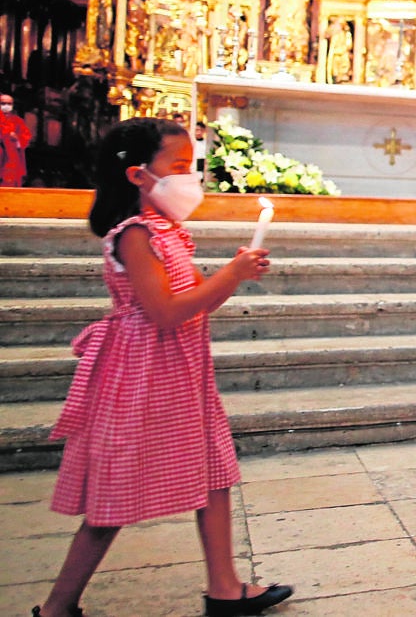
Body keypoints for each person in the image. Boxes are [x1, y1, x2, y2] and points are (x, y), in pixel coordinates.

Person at [35, 118, 293, 617]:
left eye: (191, 167)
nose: (189, 178)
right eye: (178, 167)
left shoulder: (170, 231)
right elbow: (166, 312)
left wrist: (233, 275)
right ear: (137, 176)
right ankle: (56, 608)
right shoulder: (133, 234)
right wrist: (230, 274)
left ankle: (225, 588)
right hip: (142, 372)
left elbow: (197, 302)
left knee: (214, 472)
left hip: (181, 369)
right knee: (113, 498)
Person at [1, 92, 33, 187]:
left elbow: (26, 136)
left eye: (9, 104)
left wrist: (17, 139)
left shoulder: (18, 121)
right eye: (3, 103)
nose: (6, 106)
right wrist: (5, 135)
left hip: (12, 157)